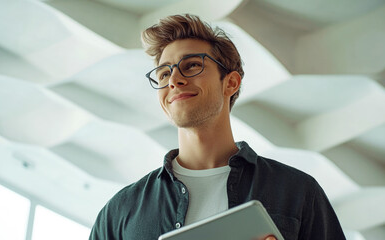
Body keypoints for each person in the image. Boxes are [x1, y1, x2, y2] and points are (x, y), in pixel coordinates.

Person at [89, 14, 346, 240]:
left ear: (231, 83)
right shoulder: (120, 212)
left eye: (191, 65)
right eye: (164, 73)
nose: (175, 80)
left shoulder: (297, 192)